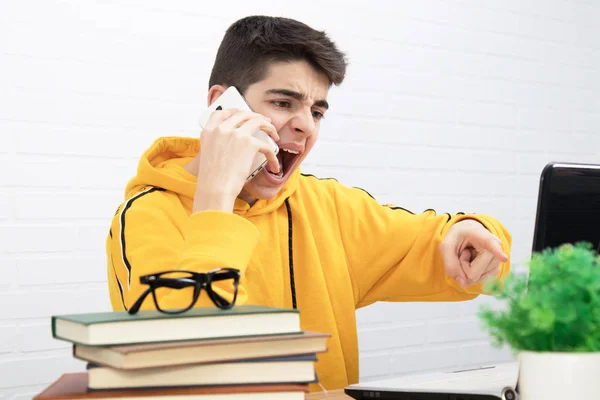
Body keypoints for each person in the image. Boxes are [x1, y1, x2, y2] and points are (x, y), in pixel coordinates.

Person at [105, 15, 512, 391]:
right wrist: (217, 198)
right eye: (283, 103)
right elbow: (194, 359)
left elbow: (444, 243)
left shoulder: (327, 205)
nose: (306, 124)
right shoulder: (147, 215)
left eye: (317, 111)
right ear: (221, 106)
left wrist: (473, 233)